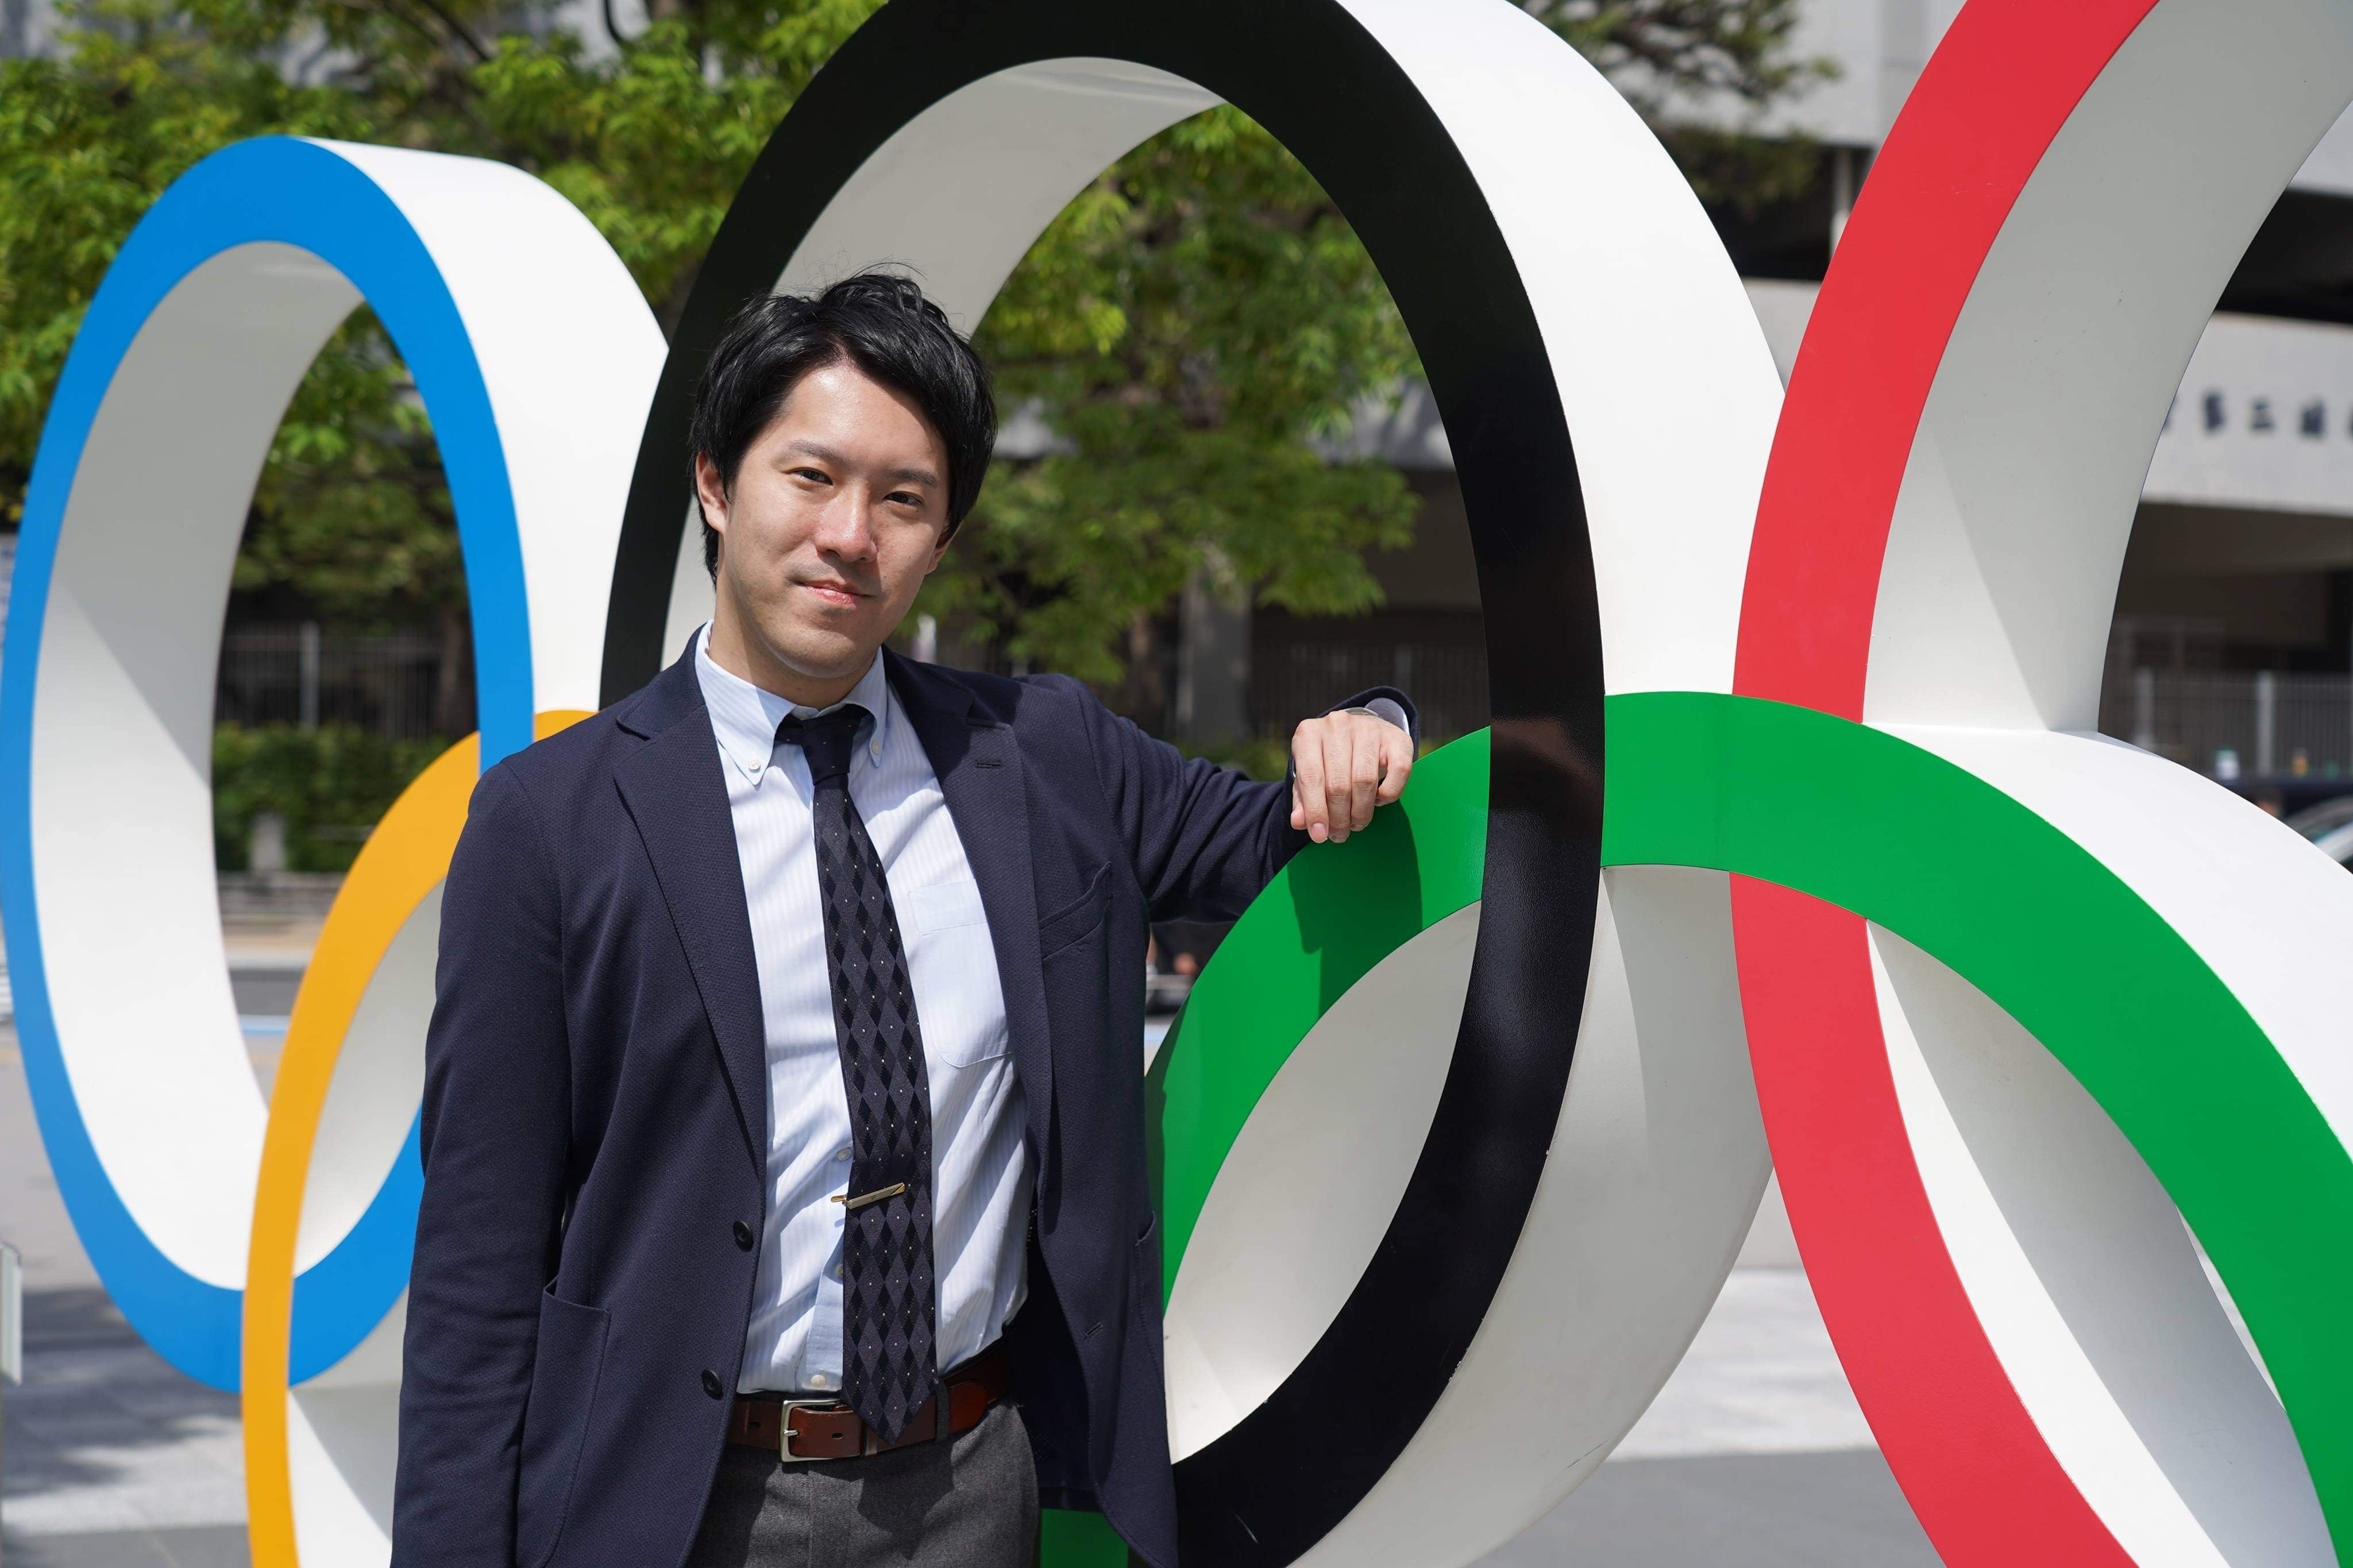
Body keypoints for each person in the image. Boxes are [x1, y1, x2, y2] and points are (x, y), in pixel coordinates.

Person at [389, 272, 1415, 1568]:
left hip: (971, 1490)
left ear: (943, 538)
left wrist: (1371, 730)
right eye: (810, 477)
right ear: (716, 484)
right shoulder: (552, 820)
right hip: (671, 1503)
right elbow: (477, 1264)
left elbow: (1281, 838)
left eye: (903, 499)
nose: (849, 535)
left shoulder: (1043, 755)